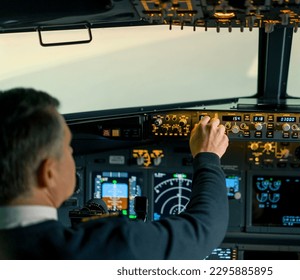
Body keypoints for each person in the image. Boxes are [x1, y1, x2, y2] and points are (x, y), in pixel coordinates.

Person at [0, 88, 229, 259]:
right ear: (48, 173)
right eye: (69, 148)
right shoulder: (104, 247)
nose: (72, 154)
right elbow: (204, 228)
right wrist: (208, 156)